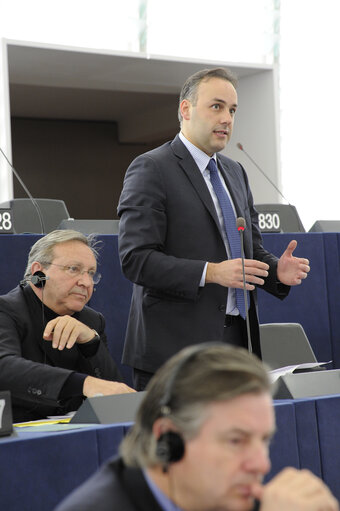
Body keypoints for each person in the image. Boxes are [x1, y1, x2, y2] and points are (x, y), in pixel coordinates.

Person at [118, 67, 310, 390]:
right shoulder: (151, 168)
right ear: (186, 109)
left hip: (237, 342)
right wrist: (211, 272)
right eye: (217, 106)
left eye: (232, 110)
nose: (227, 119)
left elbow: (250, 251)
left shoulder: (235, 172)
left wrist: (277, 271)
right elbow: (135, 259)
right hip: (176, 351)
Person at [54, 344, 338, 511]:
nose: (261, 465)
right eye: (236, 441)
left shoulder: (239, 498)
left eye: (264, 440)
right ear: (168, 440)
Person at [0, 229, 134, 423]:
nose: (86, 282)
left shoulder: (92, 320)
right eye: (73, 269)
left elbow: (116, 395)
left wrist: (91, 343)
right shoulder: (6, 310)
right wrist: (83, 384)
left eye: (91, 273)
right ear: (39, 272)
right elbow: (4, 368)